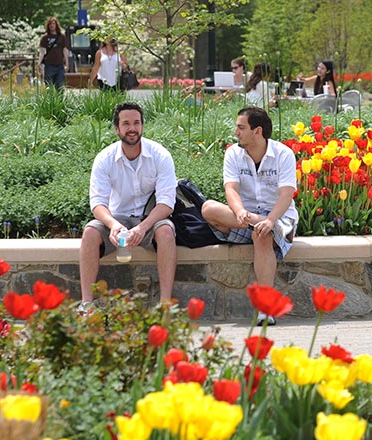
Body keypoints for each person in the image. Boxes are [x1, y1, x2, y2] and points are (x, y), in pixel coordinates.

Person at [201, 106, 298, 325]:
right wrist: (240, 211)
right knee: (208, 208)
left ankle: (265, 309)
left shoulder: (283, 154)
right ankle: (272, 229)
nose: (236, 132)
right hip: (243, 217)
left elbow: (286, 195)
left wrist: (271, 221)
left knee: (262, 236)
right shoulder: (233, 153)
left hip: (278, 215)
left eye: (241, 127)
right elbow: (231, 190)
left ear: (258, 131)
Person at [79, 102, 179, 307]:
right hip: (118, 219)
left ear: (142, 126)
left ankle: (166, 304)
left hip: (151, 218)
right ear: (117, 128)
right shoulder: (104, 159)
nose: (132, 128)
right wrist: (113, 225)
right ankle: (86, 304)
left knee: (167, 232)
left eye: (136, 123)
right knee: (90, 231)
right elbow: (97, 203)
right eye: (126, 123)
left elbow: (167, 203)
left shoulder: (161, 155)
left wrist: (143, 227)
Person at [39, 17, 69, 90]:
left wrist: (67, 63)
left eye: (53, 24)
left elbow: (65, 50)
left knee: (60, 86)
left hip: (60, 65)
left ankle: (60, 101)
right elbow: (42, 51)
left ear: (56, 25)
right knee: (49, 87)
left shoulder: (62, 37)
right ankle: (51, 101)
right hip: (49, 65)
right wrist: (39, 63)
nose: (52, 25)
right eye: (50, 24)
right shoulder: (45, 38)